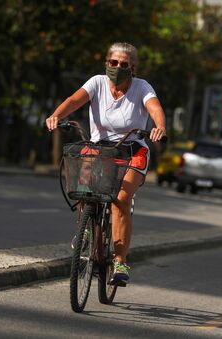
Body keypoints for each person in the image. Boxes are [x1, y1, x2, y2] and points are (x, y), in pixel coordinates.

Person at [46, 42, 166, 286]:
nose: (117, 68)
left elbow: (155, 109)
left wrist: (160, 126)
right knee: (83, 184)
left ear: (133, 67)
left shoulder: (142, 87)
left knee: (121, 199)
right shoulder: (97, 82)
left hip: (132, 150)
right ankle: (86, 229)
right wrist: (57, 115)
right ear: (106, 63)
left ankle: (120, 262)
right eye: (113, 63)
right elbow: (73, 100)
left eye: (124, 64)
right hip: (100, 147)